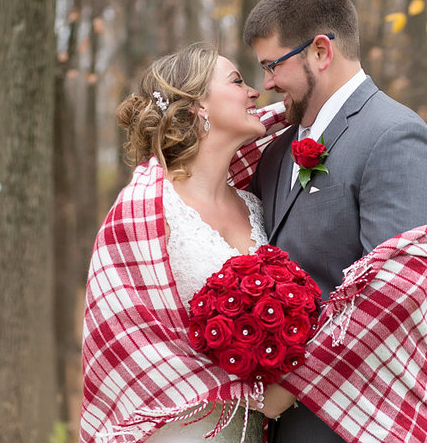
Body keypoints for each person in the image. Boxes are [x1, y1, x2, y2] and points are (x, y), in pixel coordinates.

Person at [244, 0, 427, 442]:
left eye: (273, 65)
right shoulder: (275, 150)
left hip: (363, 419)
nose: (267, 83)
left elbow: (394, 298)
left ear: (320, 51)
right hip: (278, 424)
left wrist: (289, 388)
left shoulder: (396, 135)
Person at [80, 43, 290, 442]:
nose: (254, 92)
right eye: (237, 81)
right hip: (178, 427)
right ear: (198, 106)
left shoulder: (255, 205)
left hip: (249, 431)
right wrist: (257, 395)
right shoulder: (145, 208)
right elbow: (125, 337)